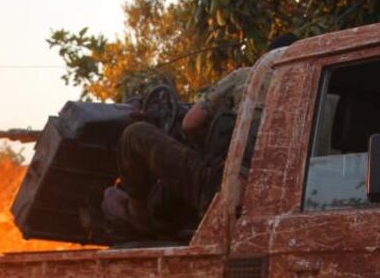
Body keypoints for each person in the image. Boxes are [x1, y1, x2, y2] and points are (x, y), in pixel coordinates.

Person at [103, 34, 298, 234]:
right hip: (279, 195)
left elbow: (189, 124)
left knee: (135, 134)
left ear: (266, 57)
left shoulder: (247, 77)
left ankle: (138, 213)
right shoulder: (314, 93)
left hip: (225, 186)